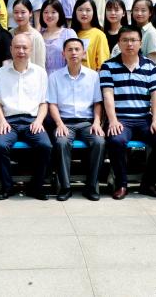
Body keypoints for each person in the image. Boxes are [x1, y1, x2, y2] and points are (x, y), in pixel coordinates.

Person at [100, 26, 156, 199]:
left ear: (140, 43)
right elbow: (107, 95)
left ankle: (148, 184)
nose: (129, 44)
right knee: (116, 140)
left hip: (144, 118)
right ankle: (121, 184)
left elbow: (155, 95)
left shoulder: (150, 66)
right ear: (119, 43)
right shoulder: (108, 66)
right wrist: (113, 120)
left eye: (133, 40)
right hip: (120, 119)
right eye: (125, 40)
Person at [0, 33, 51, 200]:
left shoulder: (40, 73)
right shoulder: (0, 73)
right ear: (11, 49)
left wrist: (39, 121)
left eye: (25, 47)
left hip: (32, 120)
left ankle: (36, 187)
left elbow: (44, 103)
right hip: (8, 121)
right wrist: (2, 121)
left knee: (45, 145)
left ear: (31, 50)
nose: (21, 51)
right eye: (17, 47)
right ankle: (7, 187)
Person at [48, 38, 105, 201]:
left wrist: (97, 122)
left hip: (87, 122)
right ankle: (65, 187)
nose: (73, 53)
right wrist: (59, 124)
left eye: (77, 49)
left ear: (83, 53)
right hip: (64, 122)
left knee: (99, 142)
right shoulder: (55, 77)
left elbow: (97, 103)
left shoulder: (93, 76)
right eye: (70, 50)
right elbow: (52, 104)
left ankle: (91, 186)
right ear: (63, 54)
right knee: (61, 142)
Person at [72, 0, 109, 71]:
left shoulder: (99, 35)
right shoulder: (71, 33)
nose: (84, 13)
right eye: (80, 10)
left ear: (94, 12)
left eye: (88, 10)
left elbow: (102, 64)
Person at [40, 0, 76, 75]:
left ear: (60, 14)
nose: (49, 15)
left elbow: (74, 59)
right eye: (46, 12)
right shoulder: (39, 35)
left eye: (53, 12)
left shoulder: (68, 34)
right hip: (42, 78)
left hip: (63, 77)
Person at [10, 0, 46, 69]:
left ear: (30, 13)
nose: (19, 16)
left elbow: (41, 64)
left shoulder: (36, 36)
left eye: (23, 12)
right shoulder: (10, 34)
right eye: (16, 12)